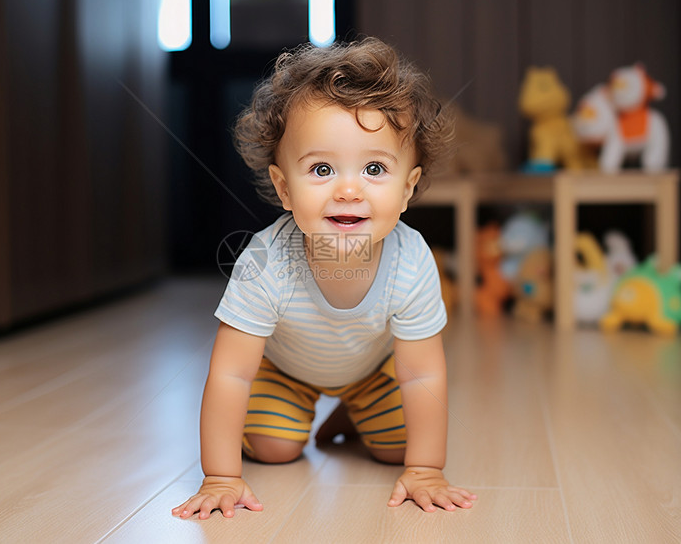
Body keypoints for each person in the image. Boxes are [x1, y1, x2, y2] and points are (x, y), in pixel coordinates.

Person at [172, 37, 476, 520]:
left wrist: (426, 468)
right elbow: (232, 372)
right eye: (322, 168)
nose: (349, 189)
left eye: (374, 168)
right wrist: (221, 477)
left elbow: (421, 372)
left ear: (407, 189)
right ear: (284, 188)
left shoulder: (412, 259)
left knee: (400, 445)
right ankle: (304, 412)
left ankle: (353, 410)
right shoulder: (266, 260)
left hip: (373, 372)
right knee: (274, 447)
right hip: (287, 372)